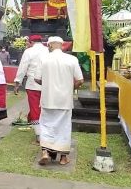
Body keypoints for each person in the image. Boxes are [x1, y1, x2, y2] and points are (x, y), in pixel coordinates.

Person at [34, 36, 84, 166]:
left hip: (48, 99)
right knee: (64, 127)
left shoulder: (43, 58)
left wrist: (48, 83)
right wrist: (69, 87)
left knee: (46, 126)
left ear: (49, 45)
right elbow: (80, 80)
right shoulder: (72, 59)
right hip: (65, 100)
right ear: (62, 45)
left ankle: (45, 152)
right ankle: (63, 158)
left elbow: (37, 79)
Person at [14, 35, 49, 143]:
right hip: (47, 83)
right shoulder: (48, 50)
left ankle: (39, 134)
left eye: (27, 42)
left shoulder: (29, 51)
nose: (27, 44)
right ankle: (46, 131)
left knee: (35, 108)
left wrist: (17, 82)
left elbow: (22, 67)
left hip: (33, 83)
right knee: (46, 108)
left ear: (31, 42)